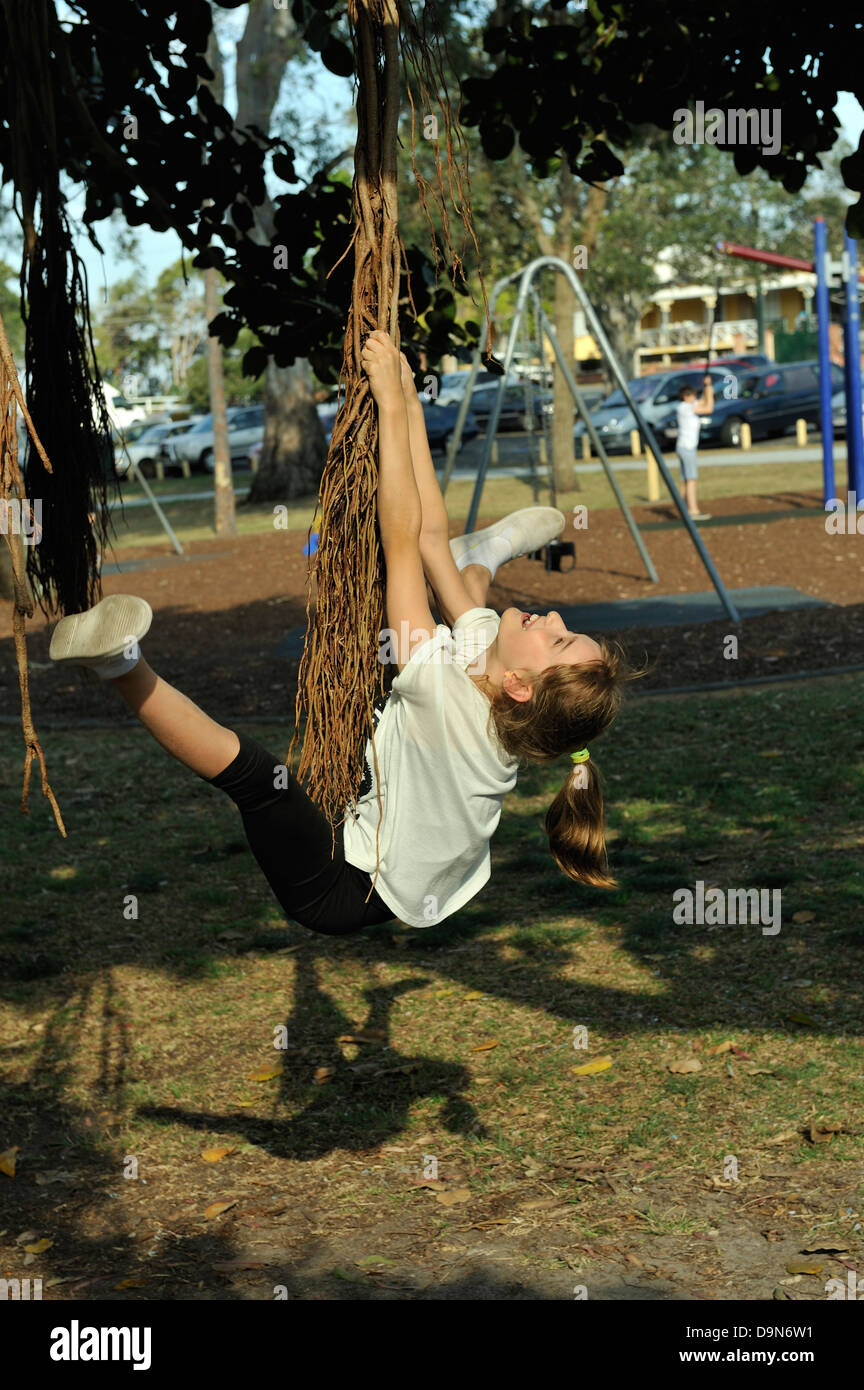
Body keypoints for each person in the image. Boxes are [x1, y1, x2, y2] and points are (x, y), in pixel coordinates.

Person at [48, 330, 637, 938]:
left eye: (561, 641)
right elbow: (430, 535)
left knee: (262, 783)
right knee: (456, 583)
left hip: (347, 889)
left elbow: (400, 542)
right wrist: (407, 399)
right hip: (415, 829)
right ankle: (482, 559)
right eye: (571, 631)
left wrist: (386, 404)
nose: (560, 620)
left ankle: (118, 662)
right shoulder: (497, 676)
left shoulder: (446, 693)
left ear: (517, 685)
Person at [675, 376, 714, 520]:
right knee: (691, 479)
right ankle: (692, 510)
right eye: (692, 396)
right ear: (686, 397)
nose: (694, 398)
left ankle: (683, 510)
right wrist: (708, 390)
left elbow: (704, 400)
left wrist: (707, 387)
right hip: (687, 447)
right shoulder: (685, 407)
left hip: (684, 447)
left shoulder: (686, 406)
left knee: (686, 480)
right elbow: (709, 408)